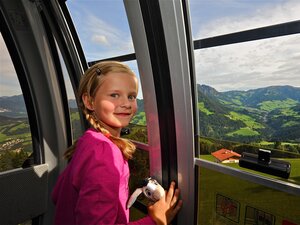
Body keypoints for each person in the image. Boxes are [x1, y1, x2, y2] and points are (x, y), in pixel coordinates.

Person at [52, 61, 183, 225]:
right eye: (114, 95)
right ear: (89, 101)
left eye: (131, 96)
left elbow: (58, 194)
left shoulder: (88, 140)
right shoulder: (104, 153)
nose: (126, 103)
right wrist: (155, 220)